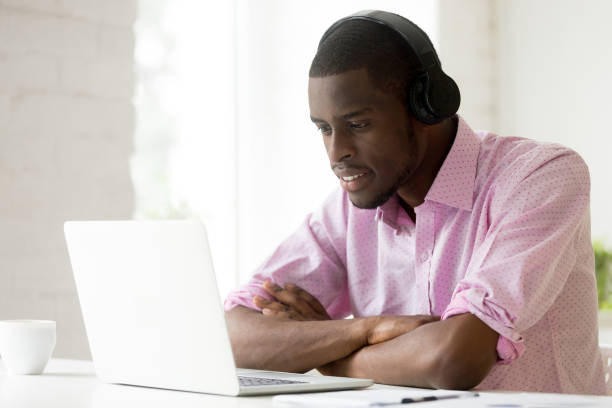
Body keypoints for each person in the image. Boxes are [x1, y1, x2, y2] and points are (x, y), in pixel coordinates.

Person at [223, 10, 606, 394]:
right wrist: (365, 329)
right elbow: (232, 337)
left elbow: (453, 361)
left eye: (357, 125)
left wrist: (322, 354)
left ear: (427, 107)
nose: (336, 153)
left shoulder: (541, 176)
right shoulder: (346, 211)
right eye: (324, 129)